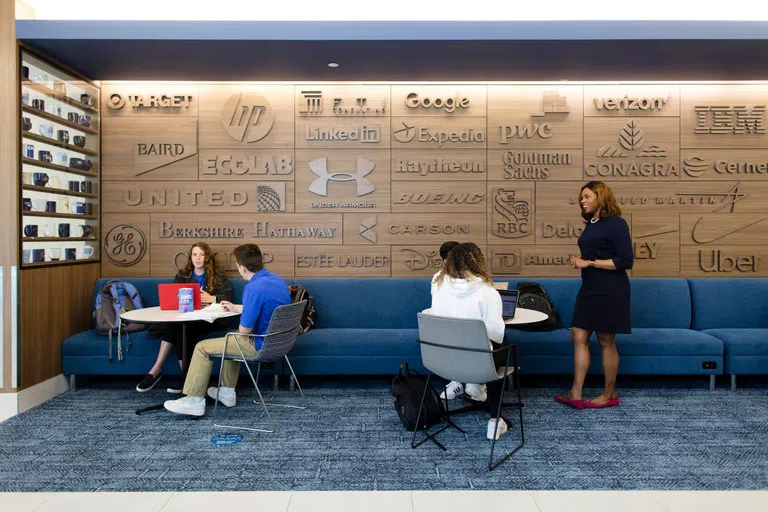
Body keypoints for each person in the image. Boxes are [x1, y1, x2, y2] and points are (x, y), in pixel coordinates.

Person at [164, 243, 291, 417]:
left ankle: (194, 400)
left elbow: (244, 330)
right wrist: (236, 308)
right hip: (281, 342)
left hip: (261, 344)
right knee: (230, 341)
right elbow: (264, 307)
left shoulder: (253, 288)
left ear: (242, 267)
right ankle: (227, 393)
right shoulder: (277, 281)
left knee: (204, 347)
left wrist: (243, 317)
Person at [556, 181, 633, 410]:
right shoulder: (592, 223)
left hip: (611, 288)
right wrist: (581, 262)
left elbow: (625, 261)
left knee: (606, 341)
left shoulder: (616, 223)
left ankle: (609, 394)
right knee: (578, 335)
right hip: (589, 287)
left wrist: (587, 262)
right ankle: (575, 393)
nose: (583, 201)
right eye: (582, 198)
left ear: (601, 196)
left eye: (587, 196)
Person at [430, 243, 510, 440]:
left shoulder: (438, 284)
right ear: (478, 261)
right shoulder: (488, 291)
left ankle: (474, 384)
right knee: (504, 345)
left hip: (444, 360)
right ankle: (494, 421)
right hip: (478, 362)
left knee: (489, 347)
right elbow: (496, 332)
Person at [136, 242, 232, 394]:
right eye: (194, 254)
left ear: (207, 257)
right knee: (178, 327)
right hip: (185, 317)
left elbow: (227, 298)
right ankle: (172, 373)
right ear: (190, 257)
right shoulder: (182, 275)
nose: (198, 258)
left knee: (180, 328)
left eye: (201, 254)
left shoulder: (218, 275)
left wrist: (212, 298)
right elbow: (172, 298)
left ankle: (162, 373)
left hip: (210, 320)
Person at [432, 241, 487, 403]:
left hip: (446, 333)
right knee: (491, 337)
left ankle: (464, 381)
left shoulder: (439, 278)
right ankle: (475, 382)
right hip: (463, 332)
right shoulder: (445, 280)